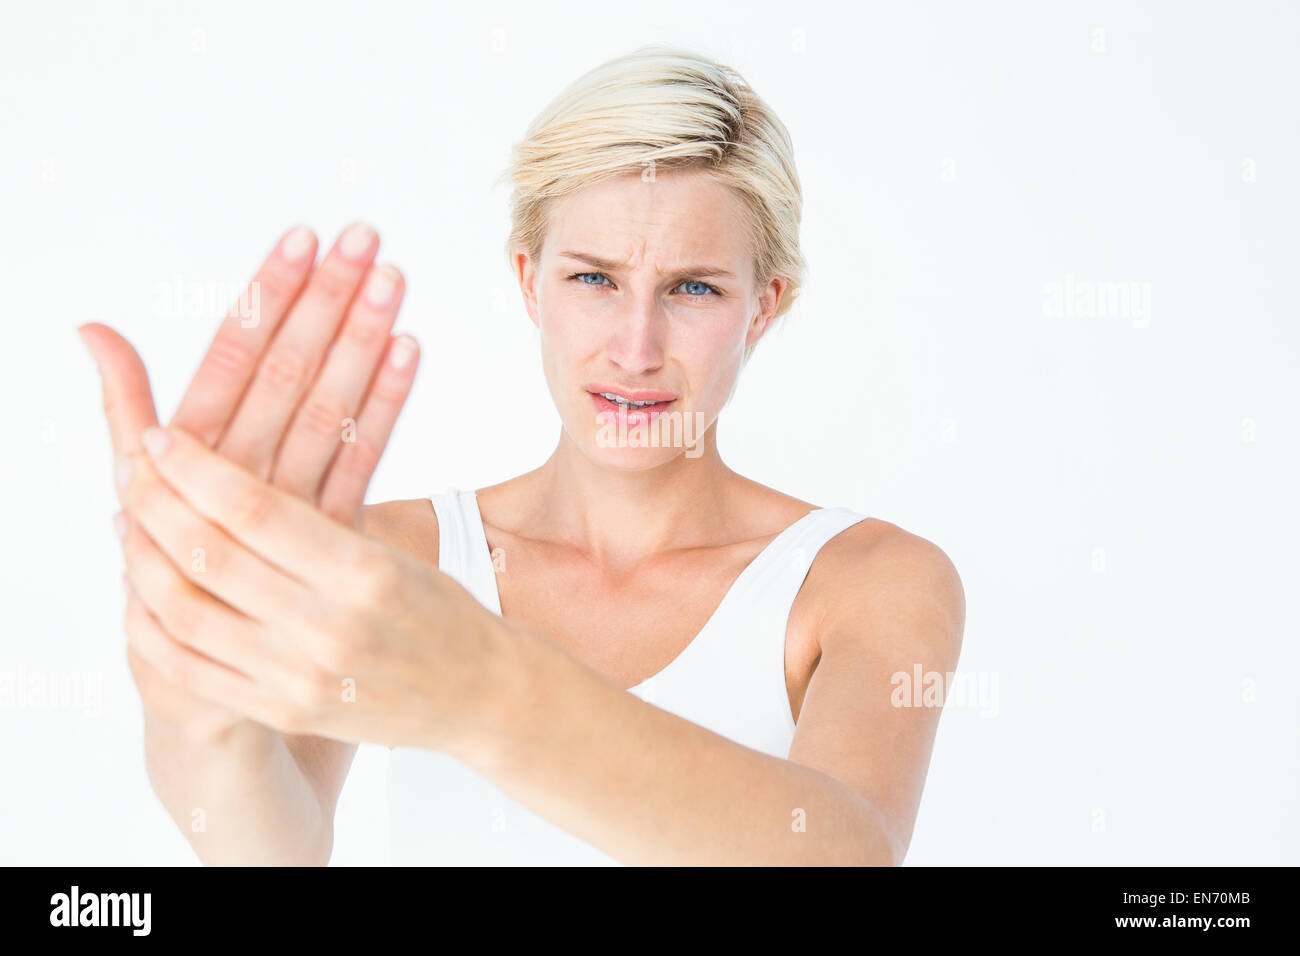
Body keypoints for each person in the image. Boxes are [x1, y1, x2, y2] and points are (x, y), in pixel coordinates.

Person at [80, 43, 965, 866]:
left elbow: (846, 851)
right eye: (593, 278)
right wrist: (193, 706)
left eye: (693, 288)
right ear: (527, 283)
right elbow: (275, 850)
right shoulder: (398, 561)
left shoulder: (868, 581)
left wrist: (484, 690)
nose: (635, 345)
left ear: (764, 308)